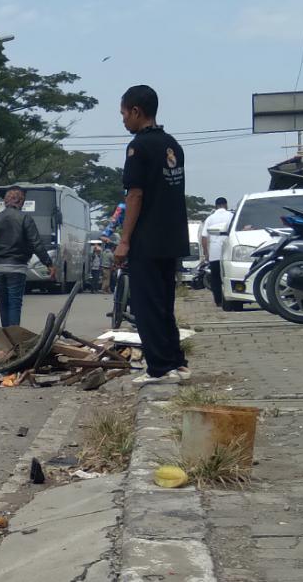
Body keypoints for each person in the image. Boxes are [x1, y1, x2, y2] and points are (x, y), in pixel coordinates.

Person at [115, 85, 190, 386]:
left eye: (123, 113)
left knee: (146, 306)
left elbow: (135, 195)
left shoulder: (138, 148)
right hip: (171, 238)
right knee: (164, 304)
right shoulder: (173, 145)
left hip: (146, 239)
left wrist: (124, 240)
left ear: (136, 111)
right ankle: (176, 363)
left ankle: (158, 369)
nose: (122, 120)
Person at [0, 187, 56, 327]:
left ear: (6, 201)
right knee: (14, 303)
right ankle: (14, 338)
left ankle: (6, 336)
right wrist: (49, 264)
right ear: (21, 202)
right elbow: (36, 243)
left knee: (4, 302)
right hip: (16, 267)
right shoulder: (25, 218)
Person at [200, 197, 233, 307]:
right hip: (228, 251)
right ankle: (231, 299)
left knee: (215, 278)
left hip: (214, 253)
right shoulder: (231, 216)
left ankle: (218, 300)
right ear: (226, 205)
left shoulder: (210, 218)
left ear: (216, 206)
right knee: (228, 276)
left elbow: (204, 237)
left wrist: (206, 252)